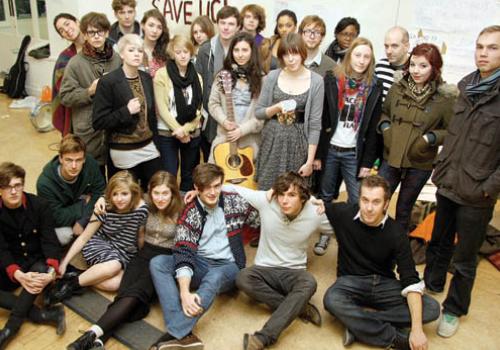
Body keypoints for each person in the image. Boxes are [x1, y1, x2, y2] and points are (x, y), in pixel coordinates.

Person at [424, 25, 500, 338]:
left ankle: (454, 309)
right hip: (448, 181)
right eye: (480, 46)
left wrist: (489, 187)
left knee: (466, 258)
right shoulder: (466, 85)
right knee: (439, 241)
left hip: (477, 190)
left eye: (493, 48)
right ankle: (432, 286)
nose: (483, 53)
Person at [66, 171, 182, 350]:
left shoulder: (182, 210)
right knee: (125, 295)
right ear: (150, 192)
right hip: (141, 255)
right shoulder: (145, 204)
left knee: (134, 296)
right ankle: (98, 341)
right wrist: (101, 199)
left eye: (165, 193)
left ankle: (91, 335)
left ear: (174, 193)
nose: (160, 198)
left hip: (163, 260)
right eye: (156, 193)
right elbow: (120, 193)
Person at [148, 163, 259, 350]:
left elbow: (260, 217)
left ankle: (174, 334)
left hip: (229, 266)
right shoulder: (190, 210)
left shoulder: (235, 202)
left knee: (214, 276)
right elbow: (183, 250)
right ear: (196, 188)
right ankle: (185, 334)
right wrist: (184, 292)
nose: (213, 192)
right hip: (200, 263)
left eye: (217, 186)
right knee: (158, 262)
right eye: (206, 188)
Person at [323, 175, 440, 350]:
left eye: (376, 202)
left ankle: (358, 324)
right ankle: (395, 338)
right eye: (365, 200)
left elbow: (410, 279)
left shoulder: (397, 232)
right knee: (331, 299)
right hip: (351, 281)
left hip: (384, 283)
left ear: (386, 203)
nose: (369, 208)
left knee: (431, 308)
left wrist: (416, 330)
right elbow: (307, 203)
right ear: (359, 199)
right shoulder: (343, 213)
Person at [231, 172, 333, 350]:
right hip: (264, 269)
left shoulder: (315, 212)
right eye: (281, 194)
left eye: (291, 195)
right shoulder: (266, 201)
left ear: (303, 198)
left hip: (293, 273)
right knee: (242, 277)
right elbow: (230, 188)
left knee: (309, 282)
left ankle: (263, 338)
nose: (284, 200)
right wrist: (195, 192)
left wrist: (330, 208)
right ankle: (300, 308)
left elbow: (345, 225)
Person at [314, 37, 383, 255]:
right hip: (330, 149)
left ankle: (351, 240)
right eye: (357, 55)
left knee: (356, 198)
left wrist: (367, 162)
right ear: (349, 55)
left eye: (366, 57)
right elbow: (323, 117)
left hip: (354, 152)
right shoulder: (333, 79)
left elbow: (373, 128)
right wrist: (317, 154)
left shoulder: (374, 86)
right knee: (325, 196)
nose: (361, 61)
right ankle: (325, 233)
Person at [378, 43, 456, 233]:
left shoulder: (445, 97)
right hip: (391, 156)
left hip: (419, 162)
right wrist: (386, 129)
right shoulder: (397, 87)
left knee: (404, 209)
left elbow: (451, 130)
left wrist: (429, 138)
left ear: (434, 68)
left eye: (423, 66)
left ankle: (398, 250)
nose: (416, 71)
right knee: (378, 203)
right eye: (413, 64)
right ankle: (374, 245)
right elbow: (384, 113)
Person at [46, 171, 147, 305]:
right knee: (114, 266)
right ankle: (70, 286)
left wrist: (141, 261)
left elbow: (140, 237)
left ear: (133, 193)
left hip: (125, 251)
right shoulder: (104, 207)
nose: (119, 199)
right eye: (115, 194)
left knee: (114, 285)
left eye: (124, 194)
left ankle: (78, 275)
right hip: (101, 244)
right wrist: (64, 262)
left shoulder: (141, 210)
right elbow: (84, 237)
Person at [0, 162, 65, 348]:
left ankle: (9, 329)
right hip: (13, 263)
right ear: (0, 190)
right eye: (7, 187)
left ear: (23, 185)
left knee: (37, 275)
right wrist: (18, 274)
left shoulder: (40, 205)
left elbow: (50, 242)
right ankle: (44, 315)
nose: (13, 191)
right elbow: (1, 249)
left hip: (37, 261)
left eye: (17, 185)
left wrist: (50, 273)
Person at [92, 34, 162, 191]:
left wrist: (156, 144)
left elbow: (150, 117)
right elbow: (98, 122)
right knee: (126, 196)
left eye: (140, 50)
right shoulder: (108, 82)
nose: (137, 54)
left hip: (148, 147)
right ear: (121, 54)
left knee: (155, 190)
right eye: (131, 50)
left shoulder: (146, 78)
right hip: (123, 150)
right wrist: (126, 111)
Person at [255, 33, 324, 190]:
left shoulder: (316, 81)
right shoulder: (273, 76)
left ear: (302, 54)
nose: (291, 59)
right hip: (271, 139)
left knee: (293, 192)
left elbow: (315, 124)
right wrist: (277, 107)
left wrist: (309, 161)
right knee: (267, 189)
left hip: (298, 143)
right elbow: (259, 112)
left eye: (295, 53)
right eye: (286, 54)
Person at [60, 12, 122, 170]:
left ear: (107, 33)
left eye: (100, 31)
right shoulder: (75, 63)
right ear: (85, 35)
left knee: (117, 179)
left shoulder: (117, 59)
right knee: (96, 180)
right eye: (91, 32)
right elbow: (65, 97)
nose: (96, 36)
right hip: (89, 131)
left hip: (115, 129)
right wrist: (89, 91)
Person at [154, 35, 203, 193]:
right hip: (167, 132)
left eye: (186, 51)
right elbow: (161, 108)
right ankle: (171, 210)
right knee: (169, 174)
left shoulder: (198, 77)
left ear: (191, 53)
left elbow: (199, 109)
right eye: (178, 52)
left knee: (189, 175)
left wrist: (186, 129)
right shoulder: (162, 74)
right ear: (172, 54)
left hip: (191, 132)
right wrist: (179, 130)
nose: (182, 55)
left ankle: (186, 209)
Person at [36, 134, 106, 246]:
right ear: (60, 158)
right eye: (69, 160)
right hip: (65, 216)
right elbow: (56, 216)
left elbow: (100, 190)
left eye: (78, 160)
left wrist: (82, 221)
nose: (74, 166)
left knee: (107, 210)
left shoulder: (90, 163)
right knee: (63, 236)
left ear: (84, 158)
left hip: (78, 210)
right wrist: (84, 204)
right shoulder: (45, 183)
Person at [208, 32, 264, 163]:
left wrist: (241, 130)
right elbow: (213, 104)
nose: (240, 54)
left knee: (247, 182)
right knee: (218, 181)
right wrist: (224, 121)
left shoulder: (262, 79)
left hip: (250, 144)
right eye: (236, 50)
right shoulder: (222, 76)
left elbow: (262, 115)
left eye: (245, 50)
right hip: (224, 141)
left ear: (252, 52)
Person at [196, 6, 240, 162]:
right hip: (211, 114)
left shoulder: (242, 49)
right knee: (213, 159)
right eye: (222, 23)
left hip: (237, 116)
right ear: (217, 24)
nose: (226, 27)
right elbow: (198, 84)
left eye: (231, 24)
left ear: (238, 27)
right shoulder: (206, 49)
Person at [52, 13, 85, 136]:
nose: (66, 30)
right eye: (61, 30)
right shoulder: (64, 59)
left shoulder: (100, 44)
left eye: (67, 24)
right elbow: (64, 91)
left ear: (77, 21)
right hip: (78, 113)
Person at [375, 26, 410, 101]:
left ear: (406, 47)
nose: (388, 51)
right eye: (386, 46)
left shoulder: (415, 71)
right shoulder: (380, 66)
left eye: (394, 46)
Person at [140, 8, 169, 78]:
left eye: (159, 27)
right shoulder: (134, 48)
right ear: (142, 25)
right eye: (151, 25)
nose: (155, 31)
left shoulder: (166, 51)